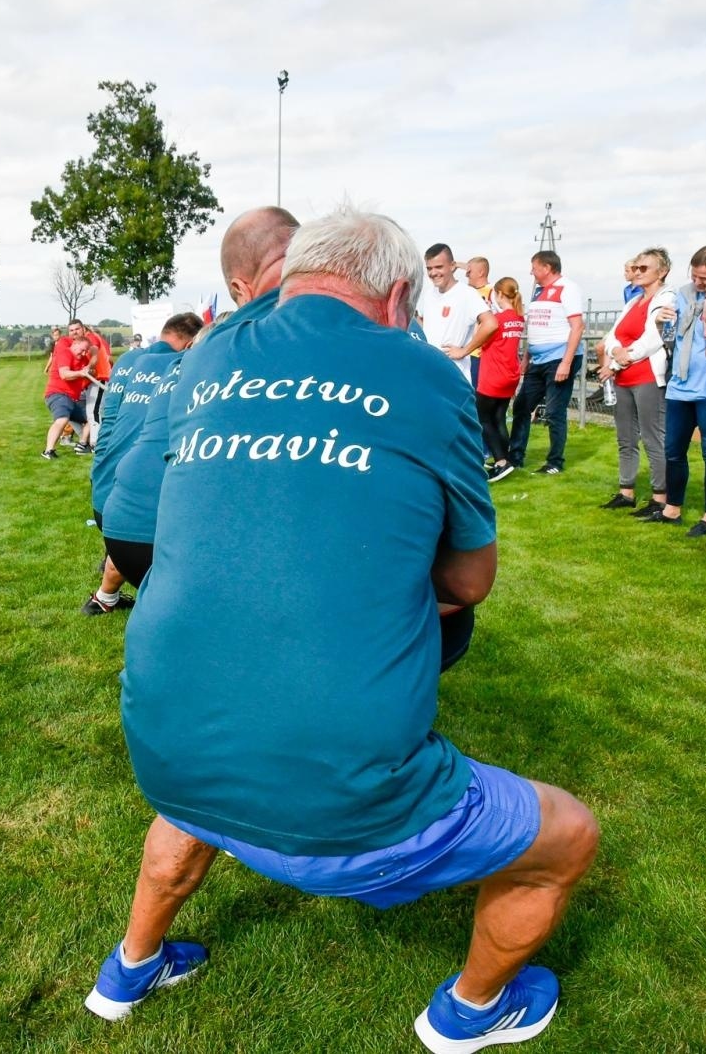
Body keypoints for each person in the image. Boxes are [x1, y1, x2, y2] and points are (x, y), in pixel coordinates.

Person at [86, 208, 599, 1054]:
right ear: (399, 293)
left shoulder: (208, 354)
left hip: (166, 746)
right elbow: (469, 581)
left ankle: (129, 968)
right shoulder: (425, 372)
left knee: (212, 769)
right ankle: (469, 1014)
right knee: (568, 833)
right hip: (340, 796)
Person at [100, 207, 298, 588]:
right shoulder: (241, 364)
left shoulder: (179, 369)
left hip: (118, 523)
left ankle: (105, 593)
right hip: (161, 538)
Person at [83, 314, 197, 615]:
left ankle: (105, 593)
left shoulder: (130, 362)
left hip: (105, 488)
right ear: (189, 342)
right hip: (134, 500)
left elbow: (109, 423)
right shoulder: (180, 368)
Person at [645, 245, 706, 535]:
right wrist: (661, 324)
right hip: (680, 385)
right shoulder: (684, 295)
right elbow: (673, 339)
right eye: (694, 276)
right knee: (673, 451)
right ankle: (672, 508)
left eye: (704, 277)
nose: (697, 282)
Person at [596, 249, 675, 516]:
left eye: (644, 268)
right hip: (624, 378)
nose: (638, 272)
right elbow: (614, 334)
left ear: (662, 271)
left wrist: (620, 359)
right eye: (637, 268)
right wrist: (616, 351)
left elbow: (653, 339)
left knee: (653, 437)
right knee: (625, 437)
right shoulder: (634, 301)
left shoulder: (667, 298)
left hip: (647, 377)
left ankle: (660, 496)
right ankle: (626, 491)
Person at [508, 251, 585, 474]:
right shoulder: (539, 292)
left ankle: (554, 462)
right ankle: (515, 457)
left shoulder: (568, 288)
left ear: (547, 268)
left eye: (534, 267)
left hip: (559, 358)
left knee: (554, 411)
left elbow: (577, 327)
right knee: (522, 406)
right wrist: (526, 358)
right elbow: (535, 328)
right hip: (537, 360)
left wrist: (566, 362)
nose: (531, 271)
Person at [417, 244, 497, 386]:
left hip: (454, 376)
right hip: (429, 373)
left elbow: (491, 324)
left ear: (452, 266)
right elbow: (420, 318)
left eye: (439, 267)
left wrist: (464, 351)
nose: (433, 273)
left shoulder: (467, 294)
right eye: (429, 268)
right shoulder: (429, 294)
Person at [476, 277, 526, 481]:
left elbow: (482, 336)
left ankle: (501, 462)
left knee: (482, 418)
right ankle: (505, 459)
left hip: (493, 375)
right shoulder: (518, 317)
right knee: (498, 418)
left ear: (498, 294)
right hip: (510, 374)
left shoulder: (497, 320)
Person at [42, 330, 94, 459]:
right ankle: (48, 451)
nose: (82, 354)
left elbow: (89, 370)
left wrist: (90, 371)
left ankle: (82, 444)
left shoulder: (82, 360)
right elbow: (64, 374)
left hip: (73, 400)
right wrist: (81, 373)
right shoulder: (65, 353)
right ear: (75, 344)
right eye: (81, 350)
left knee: (93, 418)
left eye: (85, 352)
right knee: (62, 419)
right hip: (58, 394)